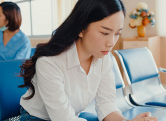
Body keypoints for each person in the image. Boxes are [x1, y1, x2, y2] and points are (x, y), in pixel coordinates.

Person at [19, 0, 157, 121]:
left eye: (117, 34)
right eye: (105, 33)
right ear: (81, 29)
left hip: (72, 115)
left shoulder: (104, 59)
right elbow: (64, 118)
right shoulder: (49, 62)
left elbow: (106, 105)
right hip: (36, 117)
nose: (111, 42)